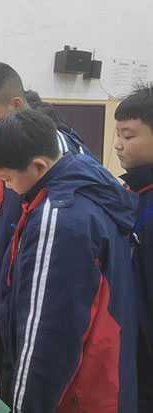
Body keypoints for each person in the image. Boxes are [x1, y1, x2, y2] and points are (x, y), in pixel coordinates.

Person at [0, 109, 138, 412]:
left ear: (38, 165)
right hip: (101, 375)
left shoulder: (59, 217)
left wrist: (26, 405)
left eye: (7, 178)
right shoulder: (82, 182)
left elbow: (46, 333)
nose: (9, 187)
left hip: (77, 392)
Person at [0, 62, 94, 400]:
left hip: (27, 292)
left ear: (16, 105)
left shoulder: (55, 150)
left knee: (22, 381)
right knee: (5, 375)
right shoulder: (4, 144)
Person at [114, 84, 153, 412]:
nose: (117, 144)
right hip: (127, 339)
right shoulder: (130, 191)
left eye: (128, 135)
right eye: (117, 134)